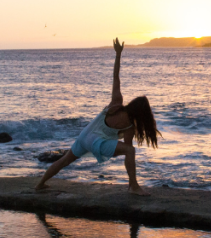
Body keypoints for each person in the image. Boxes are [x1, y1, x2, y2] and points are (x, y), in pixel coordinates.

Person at [35, 38, 159, 195]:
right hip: (95, 142)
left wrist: (118, 54)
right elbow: (128, 150)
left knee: (64, 161)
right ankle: (133, 186)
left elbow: (116, 77)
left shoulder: (116, 104)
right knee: (130, 151)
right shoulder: (130, 126)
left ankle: (39, 184)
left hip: (84, 136)